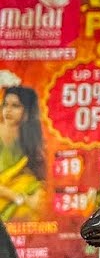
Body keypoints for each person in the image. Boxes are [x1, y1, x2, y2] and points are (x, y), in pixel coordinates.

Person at [0, 86, 45, 221]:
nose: (8, 110)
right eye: (5, 105)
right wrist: (18, 198)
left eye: (15, 106)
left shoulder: (32, 140)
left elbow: (38, 181)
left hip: (22, 201)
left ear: (27, 111)